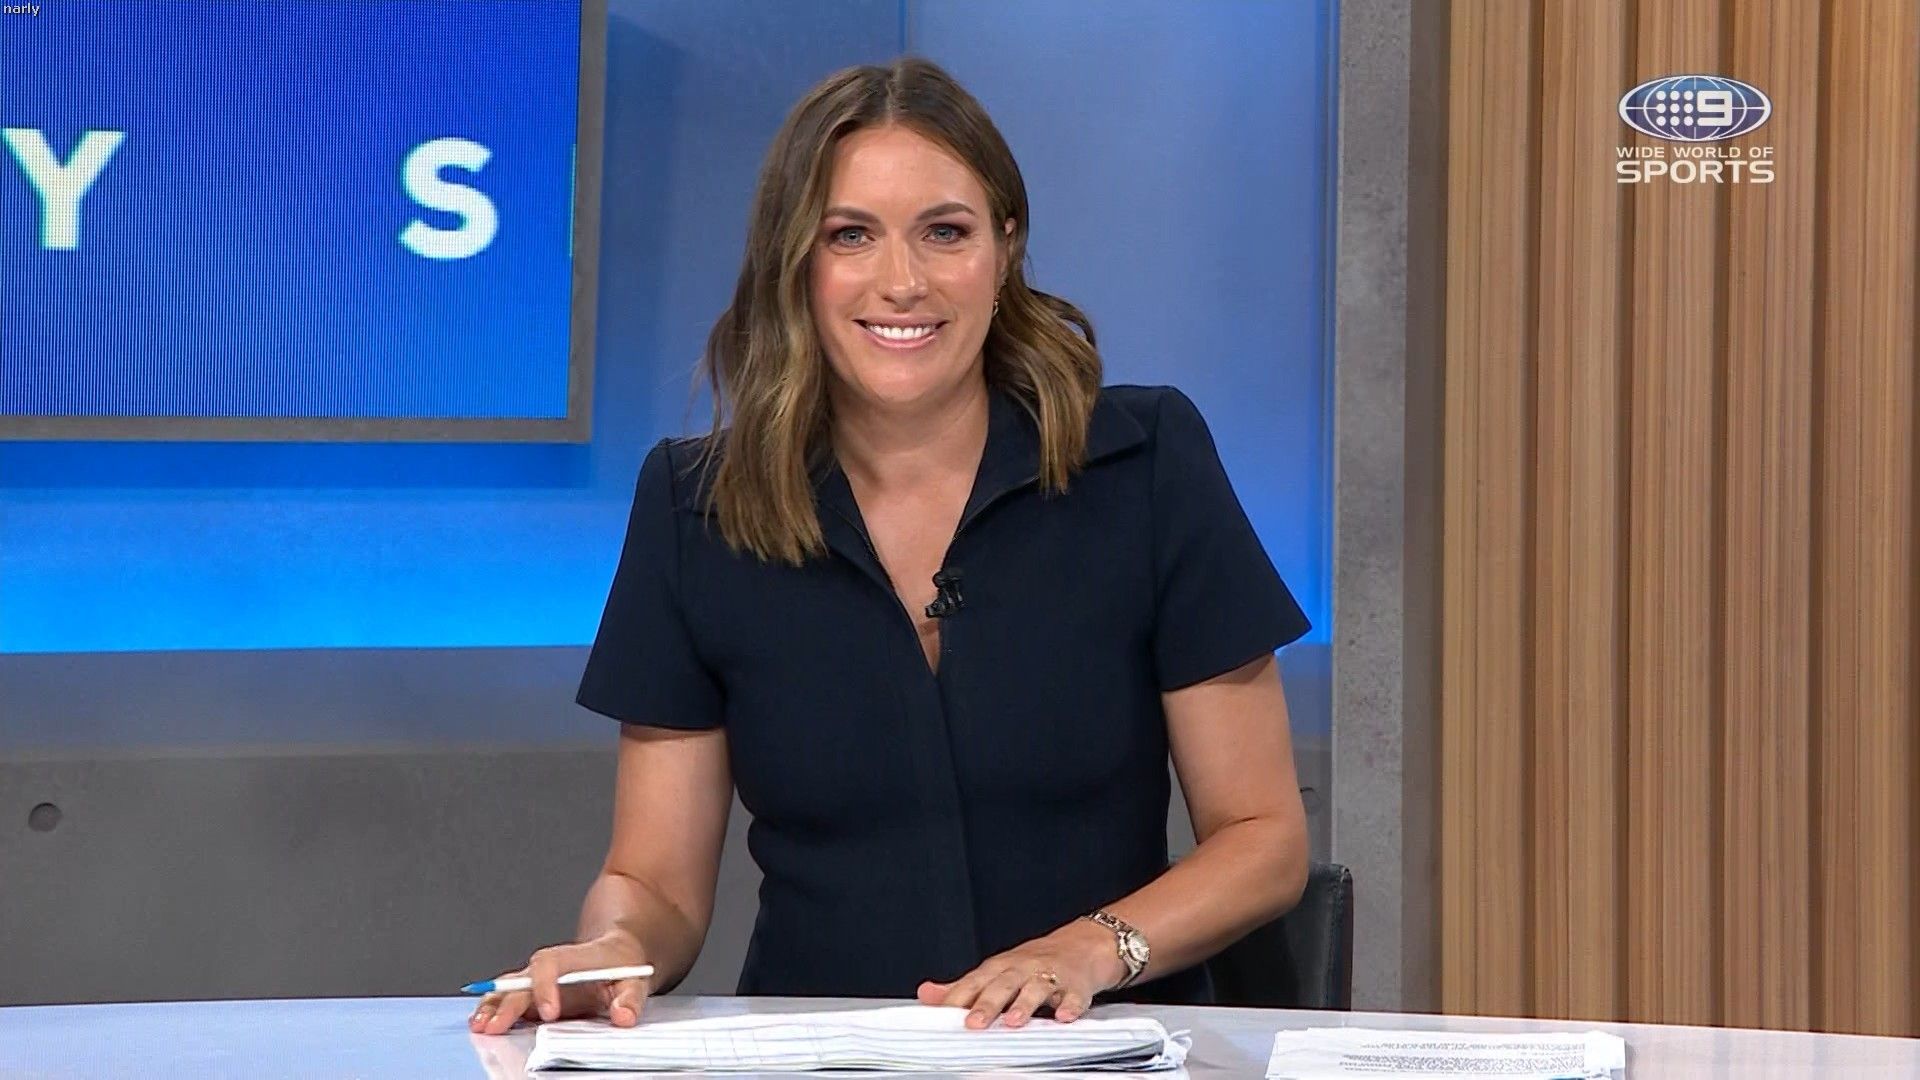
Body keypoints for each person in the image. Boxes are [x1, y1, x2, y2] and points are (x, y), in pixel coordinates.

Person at [471, 56, 1311, 1037]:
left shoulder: (1144, 463)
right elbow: (654, 881)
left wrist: (1091, 949)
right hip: (820, 1052)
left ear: (1005, 246)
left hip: (1093, 1048)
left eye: (944, 232)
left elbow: (1262, 838)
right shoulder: (695, 509)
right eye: (851, 236)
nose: (903, 283)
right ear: (795, 262)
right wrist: (614, 950)